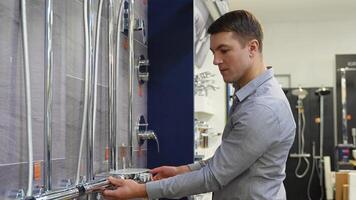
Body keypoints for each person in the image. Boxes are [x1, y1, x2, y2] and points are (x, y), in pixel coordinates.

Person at [101, 9, 296, 200]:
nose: (216, 60)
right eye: (213, 51)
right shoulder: (252, 97)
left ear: (252, 48)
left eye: (224, 50)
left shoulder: (262, 108)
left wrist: (142, 191)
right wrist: (181, 171)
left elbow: (213, 177)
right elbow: (225, 162)